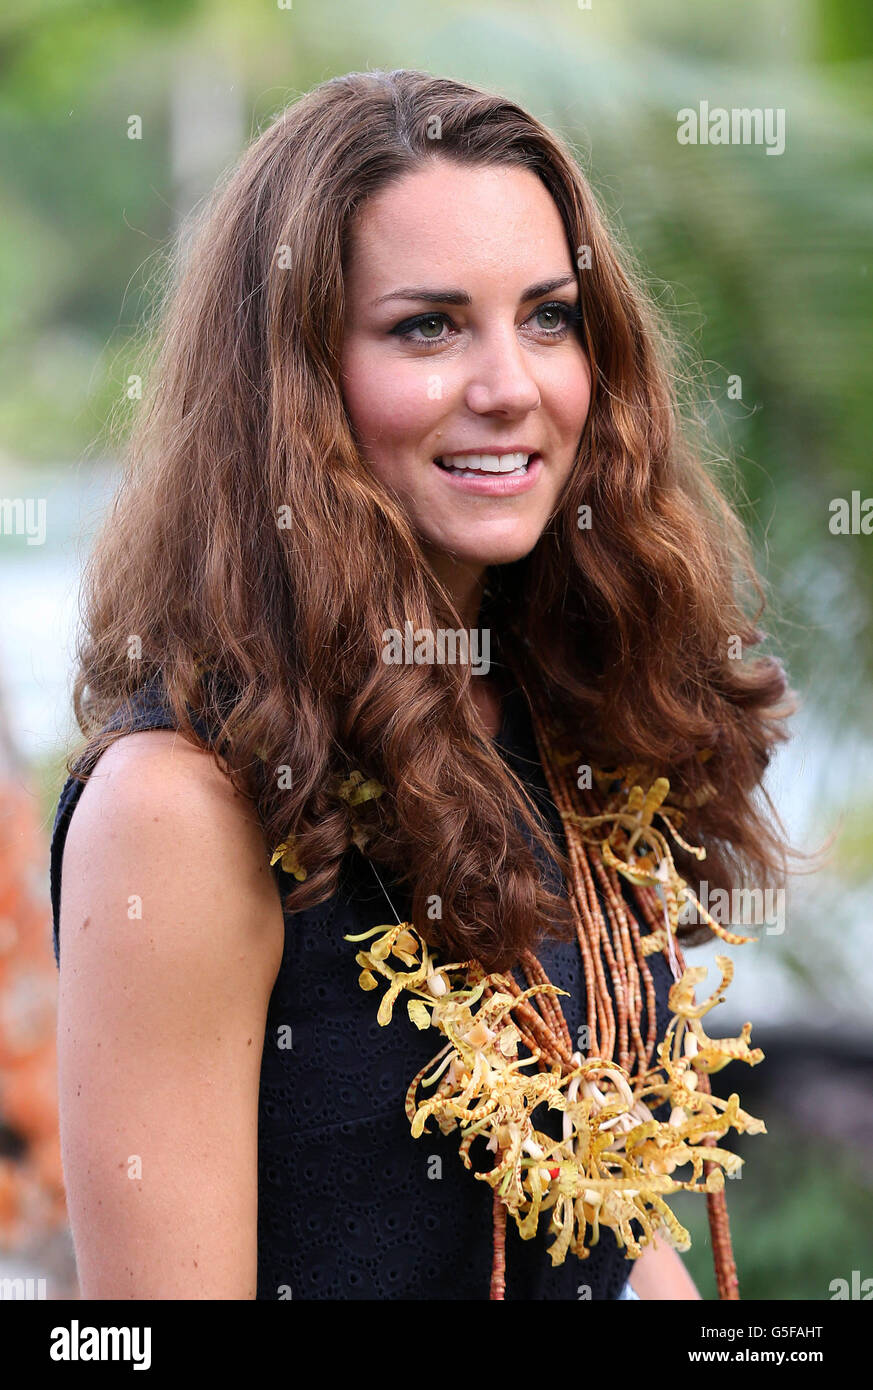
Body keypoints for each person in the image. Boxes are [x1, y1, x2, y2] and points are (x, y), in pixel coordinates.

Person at [49, 68, 795, 1300]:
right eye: (428, 326)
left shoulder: (566, 724)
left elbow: (613, 1240)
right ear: (294, 386)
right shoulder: (178, 810)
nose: (511, 385)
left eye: (550, 317)